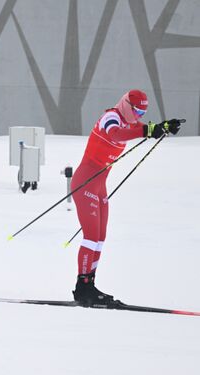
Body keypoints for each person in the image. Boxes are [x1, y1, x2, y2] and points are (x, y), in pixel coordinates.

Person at [71, 89, 182, 306]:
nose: (138, 116)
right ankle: (82, 287)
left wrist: (164, 126)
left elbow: (141, 129)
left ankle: (89, 285)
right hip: (85, 183)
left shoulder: (129, 122)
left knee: (100, 239)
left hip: (100, 186)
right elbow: (116, 135)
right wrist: (149, 130)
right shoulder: (111, 117)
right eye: (137, 111)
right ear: (126, 105)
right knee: (91, 237)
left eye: (143, 112)